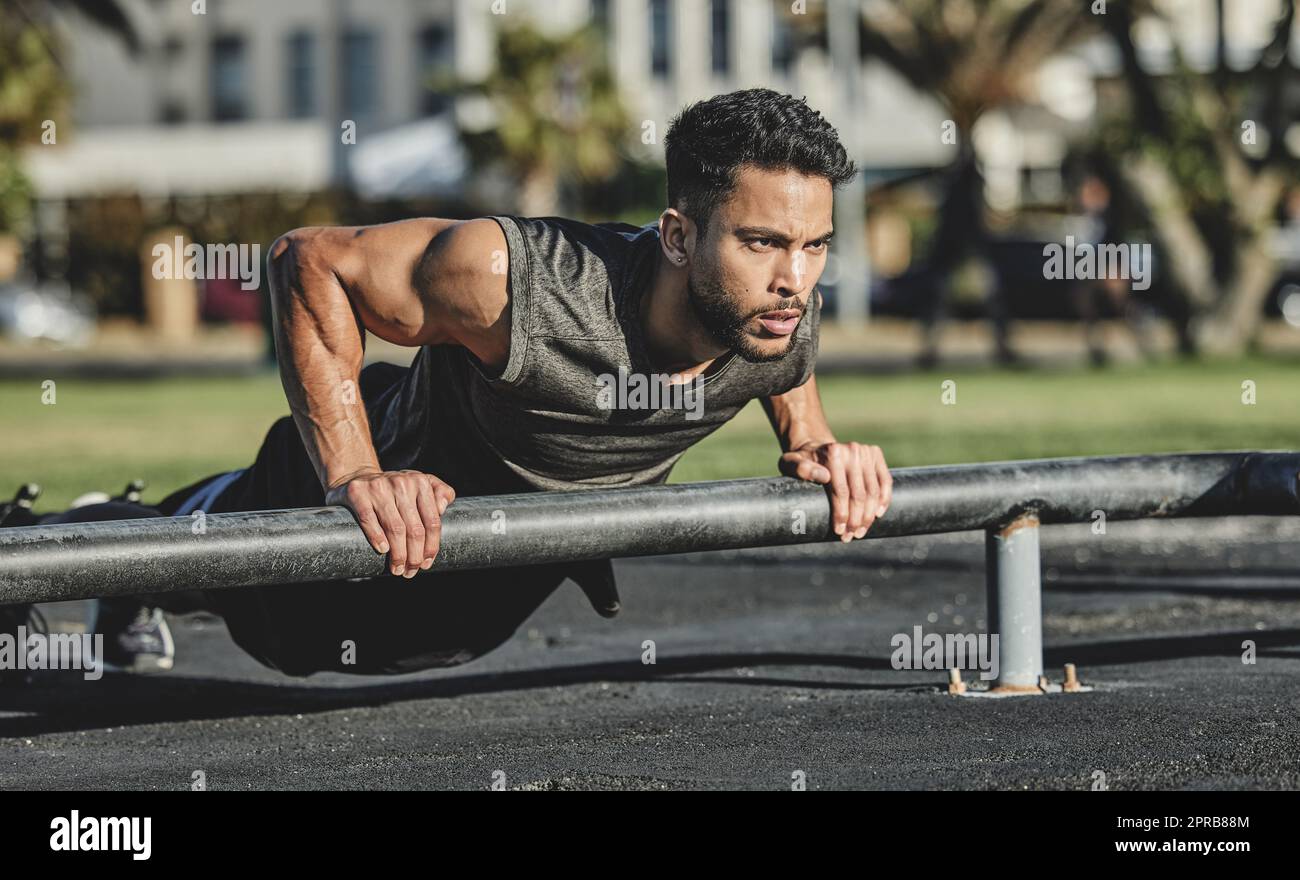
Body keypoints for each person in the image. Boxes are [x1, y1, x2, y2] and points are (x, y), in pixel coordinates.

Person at [5, 89, 893, 677]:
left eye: (815, 245)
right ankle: (52, 553)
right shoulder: (513, 279)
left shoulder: (773, 310)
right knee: (245, 599)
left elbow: (784, 360)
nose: (797, 278)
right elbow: (308, 259)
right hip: (377, 489)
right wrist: (353, 473)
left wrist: (814, 445)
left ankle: (144, 569)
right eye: (763, 242)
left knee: (419, 648)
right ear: (675, 236)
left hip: (489, 566)